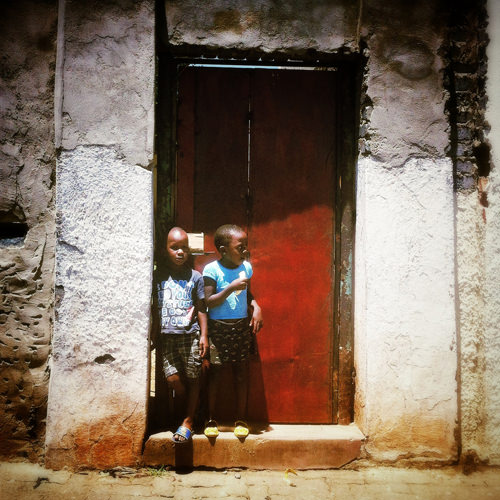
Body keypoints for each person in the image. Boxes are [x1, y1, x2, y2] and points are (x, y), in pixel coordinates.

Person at [203, 224, 263, 438]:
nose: (245, 250)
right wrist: (230, 287)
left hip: (240, 327)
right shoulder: (211, 270)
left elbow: (247, 294)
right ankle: (211, 419)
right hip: (218, 328)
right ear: (224, 250)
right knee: (215, 375)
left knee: (241, 374)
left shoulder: (246, 267)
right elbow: (209, 301)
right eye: (240, 247)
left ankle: (241, 419)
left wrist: (256, 306)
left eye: (246, 245)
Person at [152, 227, 208, 443]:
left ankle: (188, 420)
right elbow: (154, 306)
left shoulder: (195, 277)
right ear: (165, 250)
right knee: (173, 379)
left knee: (194, 378)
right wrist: (154, 331)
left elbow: (201, 308)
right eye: (174, 247)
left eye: (184, 247)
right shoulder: (157, 276)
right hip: (167, 337)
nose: (180, 252)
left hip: (190, 335)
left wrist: (204, 335)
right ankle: (192, 407)